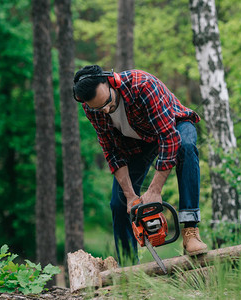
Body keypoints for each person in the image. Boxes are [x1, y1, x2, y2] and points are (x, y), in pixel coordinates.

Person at [72, 65, 208, 264]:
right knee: (118, 203)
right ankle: (128, 264)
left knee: (186, 147)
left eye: (108, 103)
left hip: (173, 124)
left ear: (112, 82)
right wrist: (130, 197)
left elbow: (168, 138)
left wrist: (154, 190)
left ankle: (190, 232)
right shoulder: (91, 108)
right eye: (99, 108)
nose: (106, 110)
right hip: (136, 142)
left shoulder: (142, 85)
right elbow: (111, 151)